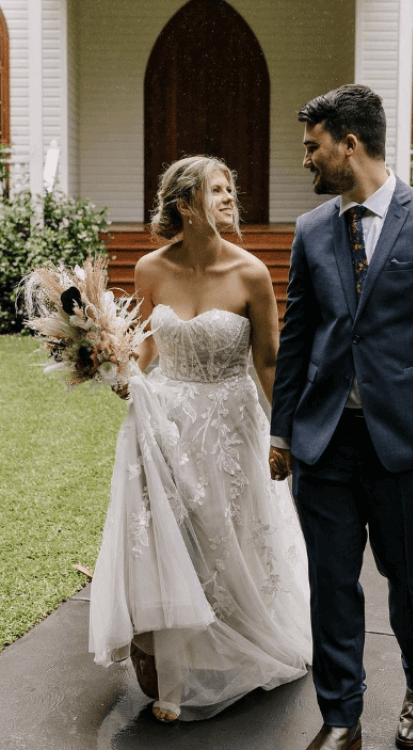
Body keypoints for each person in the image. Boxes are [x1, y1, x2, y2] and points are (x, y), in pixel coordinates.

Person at [268, 85, 413, 750]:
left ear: (349, 144)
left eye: (313, 146)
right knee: (332, 582)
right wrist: (282, 429)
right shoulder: (311, 230)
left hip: (406, 439)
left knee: (410, 574)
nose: (306, 159)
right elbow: (297, 336)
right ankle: (341, 715)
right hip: (324, 438)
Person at [89, 155, 311, 724]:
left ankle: (237, 643)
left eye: (230, 188)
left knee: (226, 537)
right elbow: (144, 347)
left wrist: (283, 435)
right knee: (175, 541)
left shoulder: (251, 273)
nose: (230, 197)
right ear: (186, 205)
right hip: (163, 424)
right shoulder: (149, 268)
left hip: (231, 427)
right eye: (217, 189)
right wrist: (118, 368)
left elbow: (268, 363)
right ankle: (177, 666)